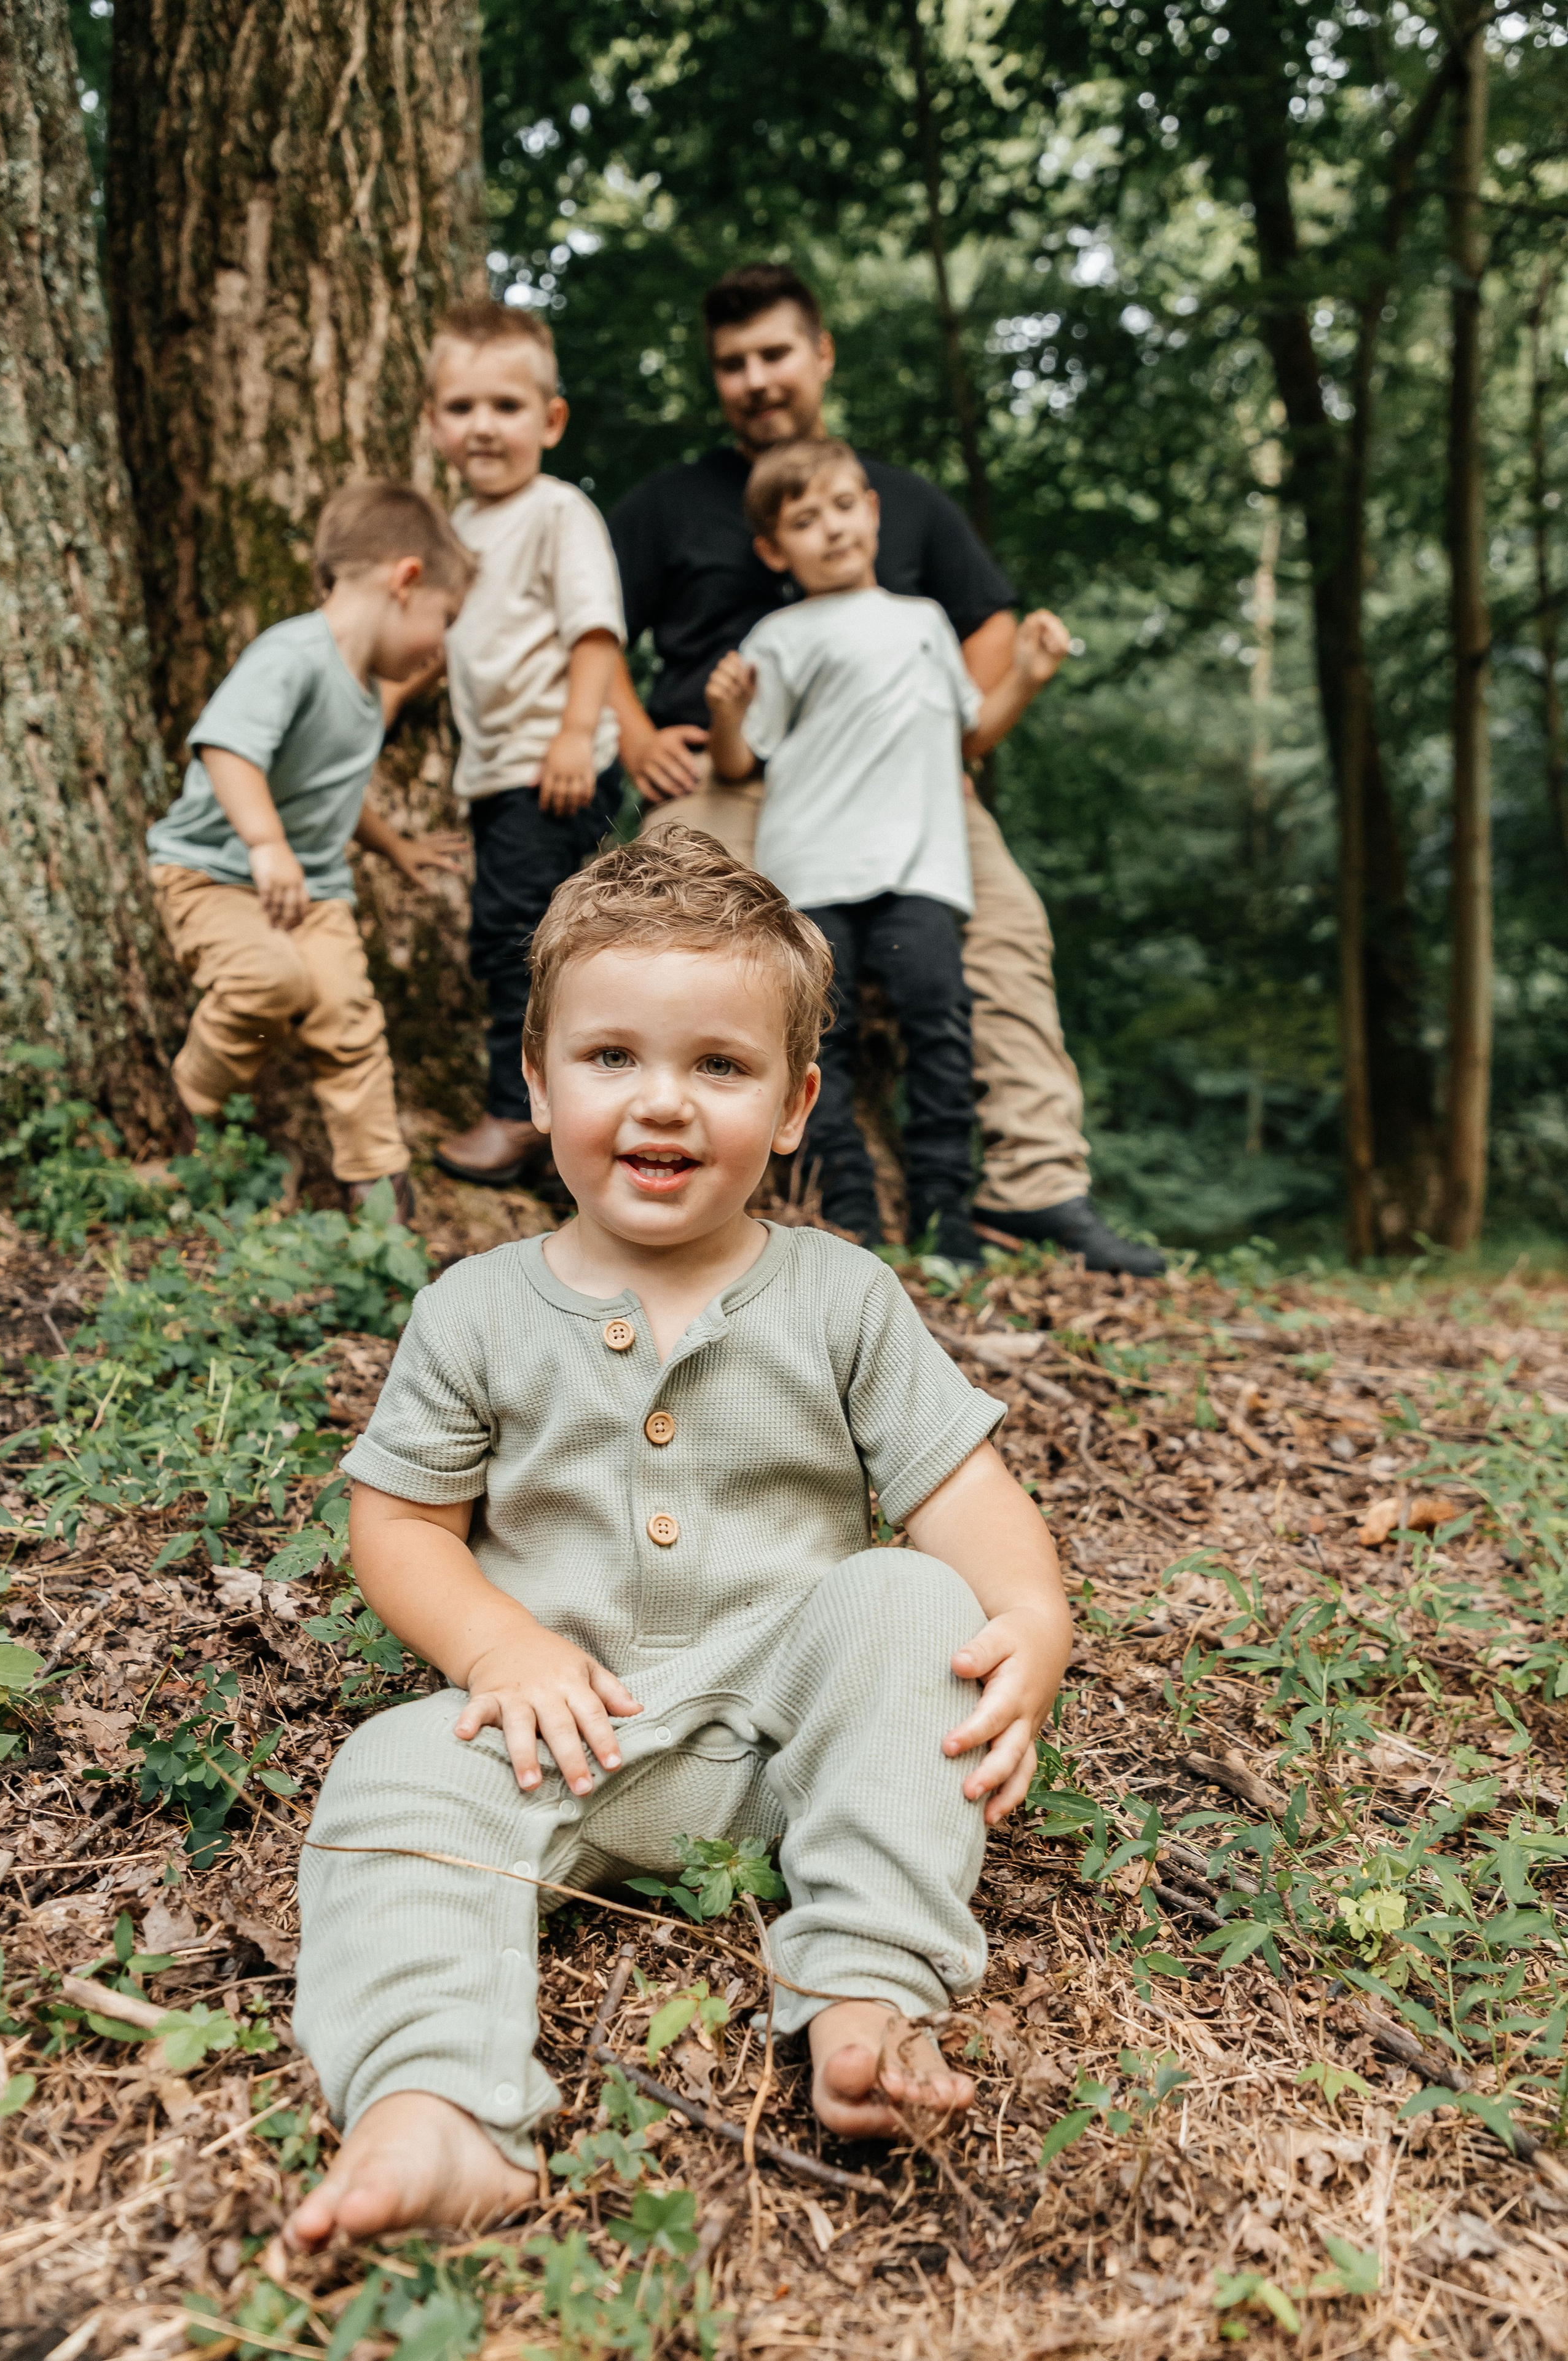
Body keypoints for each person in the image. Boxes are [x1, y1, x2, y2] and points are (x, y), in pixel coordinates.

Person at [277, 831, 1072, 2251]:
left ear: (792, 1104)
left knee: (905, 1592)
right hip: (559, 1732)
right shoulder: (475, 1309)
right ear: (535, 1081)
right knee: (390, 1767)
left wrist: (1029, 1618)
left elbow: (963, 1491)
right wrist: (495, 1642)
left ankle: (866, 1985)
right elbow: (398, 1522)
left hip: (794, 1742)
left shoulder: (839, 1294)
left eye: (717, 1065)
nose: (662, 1101)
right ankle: (435, 2105)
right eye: (610, 1059)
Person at [605, 263, 1164, 1277]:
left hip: (898, 790)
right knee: (660, 922)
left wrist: (955, 749)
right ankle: (667, 1165)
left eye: (775, 354)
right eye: (733, 364)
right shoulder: (670, 504)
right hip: (733, 782)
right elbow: (587, 630)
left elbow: (989, 627)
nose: (756, 379)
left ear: (820, 355)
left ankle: (1034, 1188)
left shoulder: (897, 499)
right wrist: (635, 727)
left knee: (1006, 929)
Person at [706, 438, 1069, 1262]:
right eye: (805, 520)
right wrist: (726, 710)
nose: (831, 529)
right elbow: (738, 761)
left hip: (921, 871)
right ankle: (852, 1220)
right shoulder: (781, 635)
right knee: (818, 1042)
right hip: (813, 869)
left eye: (843, 507)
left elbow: (970, 731)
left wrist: (1031, 675)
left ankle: (947, 1218)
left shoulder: (926, 621)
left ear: (873, 511)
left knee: (939, 1028)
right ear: (775, 549)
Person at [146, 480, 474, 1220]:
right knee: (269, 983)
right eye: (443, 620)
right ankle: (190, 1110)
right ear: (406, 581)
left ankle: (377, 1185)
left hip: (313, 891)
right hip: (216, 876)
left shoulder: (361, 692)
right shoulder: (291, 654)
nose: (439, 645)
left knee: (348, 1017)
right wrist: (266, 845)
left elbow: (335, 787)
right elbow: (227, 749)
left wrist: (396, 848)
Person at [424, 302, 629, 1191]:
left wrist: (576, 736)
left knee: (524, 937)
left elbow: (594, 634)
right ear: (433, 423)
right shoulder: (454, 531)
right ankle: (559, 1129)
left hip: (555, 768)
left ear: (550, 421)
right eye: (462, 407)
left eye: (506, 407)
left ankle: (518, 1115)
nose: (483, 428)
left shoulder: (557, 512)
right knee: (518, 936)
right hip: (499, 774)